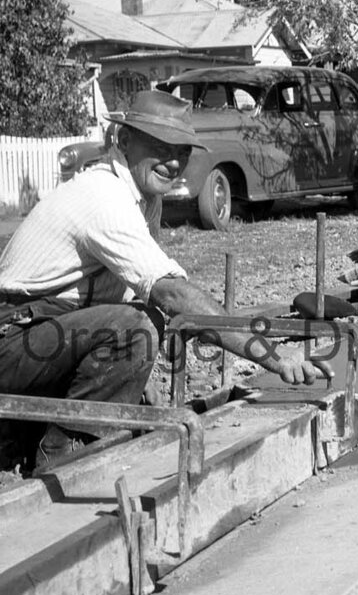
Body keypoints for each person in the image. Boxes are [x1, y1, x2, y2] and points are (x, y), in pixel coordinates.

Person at [0, 89, 332, 473]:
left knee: (143, 323)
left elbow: (150, 299)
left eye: (184, 151)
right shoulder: (102, 196)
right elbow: (171, 294)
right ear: (123, 141)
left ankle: (39, 434)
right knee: (135, 327)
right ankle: (63, 455)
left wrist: (140, 382)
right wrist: (272, 357)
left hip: (46, 336)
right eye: (161, 147)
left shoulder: (144, 199)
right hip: (14, 336)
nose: (174, 162)